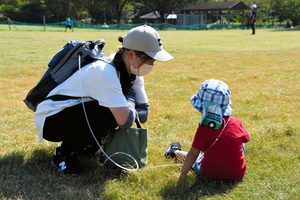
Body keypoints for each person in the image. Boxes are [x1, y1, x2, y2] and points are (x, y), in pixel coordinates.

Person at [34, 25, 173, 175]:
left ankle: (85, 146)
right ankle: (63, 155)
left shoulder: (134, 72)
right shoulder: (106, 72)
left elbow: (144, 114)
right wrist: (130, 98)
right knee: (107, 111)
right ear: (131, 54)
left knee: (112, 109)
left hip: (72, 113)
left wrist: (128, 102)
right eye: (149, 59)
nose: (152, 64)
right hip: (51, 119)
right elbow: (125, 121)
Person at [165, 79, 250, 181]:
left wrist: (182, 175)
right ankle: (231, 163)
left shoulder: (204, 128)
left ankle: (174, 152)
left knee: (197, 159)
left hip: (210, 173)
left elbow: (193, 154)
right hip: (237, 174)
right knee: (241, 143)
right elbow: (246, 138)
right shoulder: (236, 122)